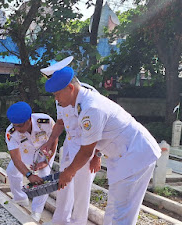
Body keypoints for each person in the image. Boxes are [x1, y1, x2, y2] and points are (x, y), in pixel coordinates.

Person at [44, 65, 161, 225]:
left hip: (135, 156)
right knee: (113, 210)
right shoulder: (81, 103)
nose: (56, 99)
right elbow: (97, 136)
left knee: (122, 215)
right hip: (121, 157)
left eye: (57, 95)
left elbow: (86, 151)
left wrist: (68, 172)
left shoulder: (90, 108)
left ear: (70, 88)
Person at [40, 57, 101, 225]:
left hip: (87, 148)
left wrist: (97, 155)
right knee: (64, 186)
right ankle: (60, 220)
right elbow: (61, 122)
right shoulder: (61, 96)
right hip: (70, 144)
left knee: (82, 190)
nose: (55, 94)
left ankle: (78, 222)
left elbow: (99, 129)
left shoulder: (89, 94)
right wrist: (51, 139)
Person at [5, 101, 56, 222]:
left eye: (20, 126)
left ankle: (36, 211)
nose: (17, 129)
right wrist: (29, 175)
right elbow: (16, 158)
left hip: (44, 153)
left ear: (29, 119)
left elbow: (54, 138)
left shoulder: (45, 121)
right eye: (15, 125)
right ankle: (20, 197)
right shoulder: (11, 132)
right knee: (11, 171)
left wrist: (46, 160)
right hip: (24, 153)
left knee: (44, 178)